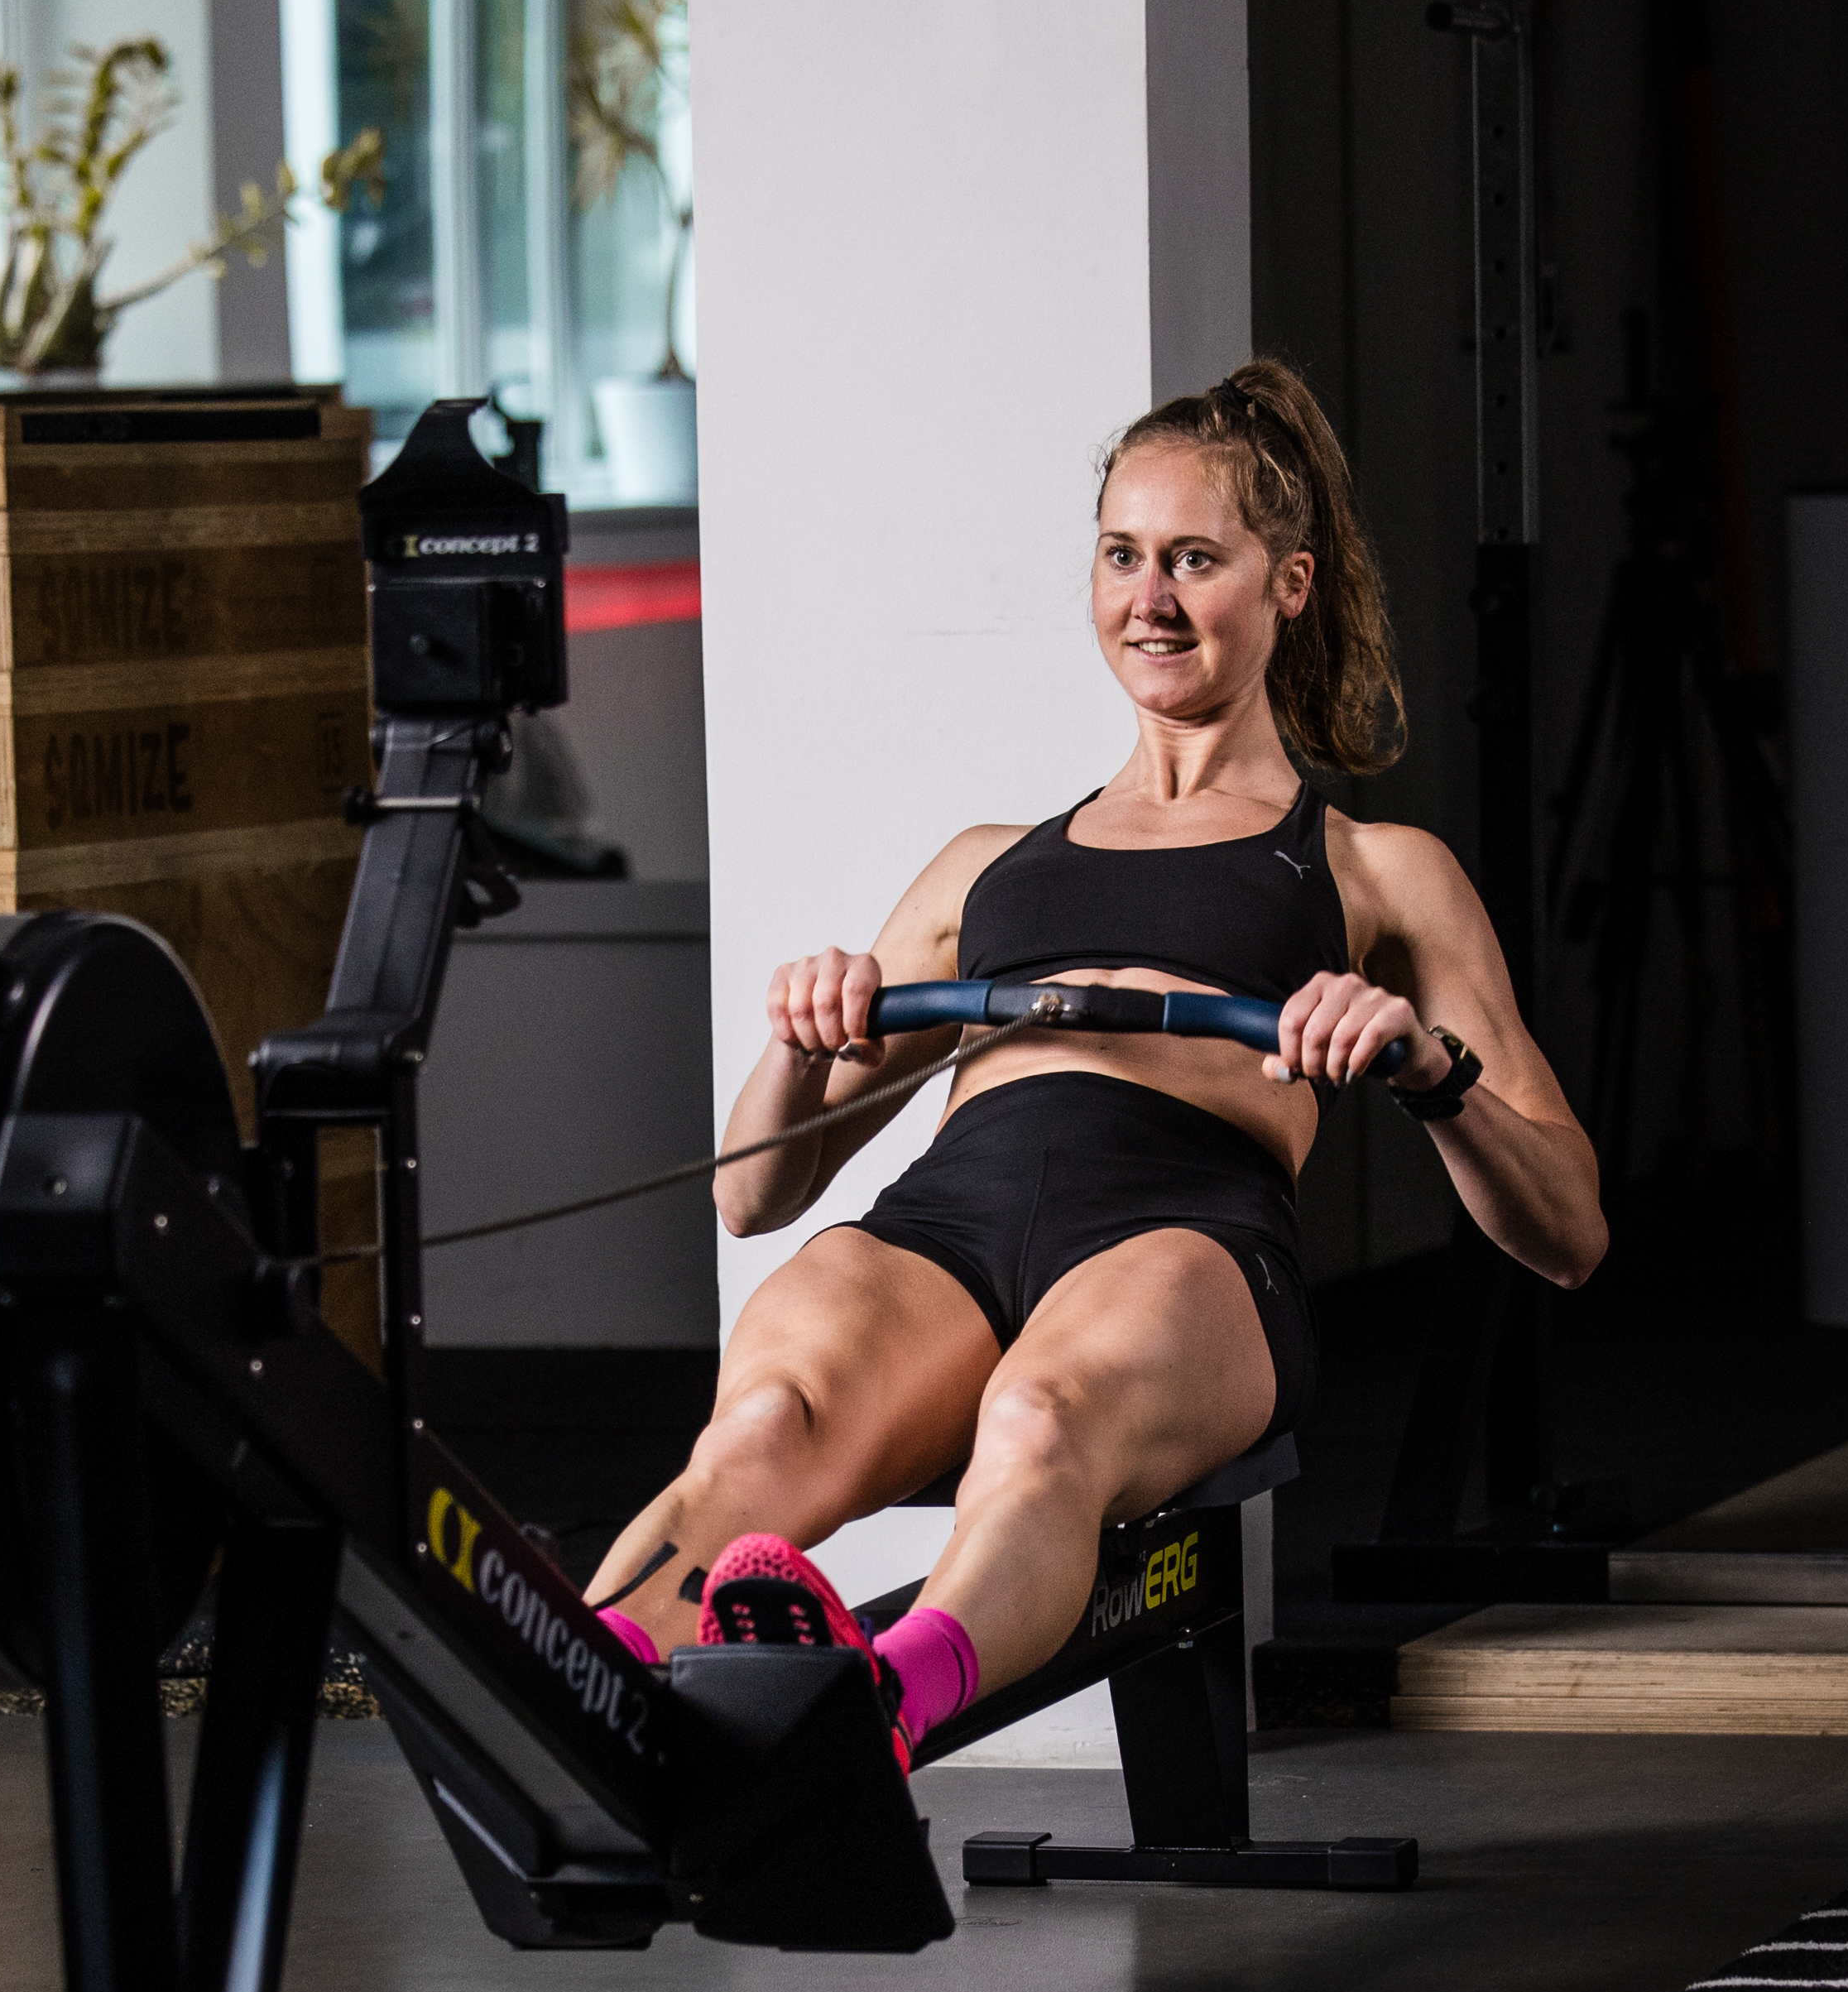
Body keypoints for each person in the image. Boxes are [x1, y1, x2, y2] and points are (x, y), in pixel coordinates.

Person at [579, 358, 1607, 1762]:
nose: (1150, 599)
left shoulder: (1375, 869)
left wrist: (1429, 1073)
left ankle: (874, 1717)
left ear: (1289, 584)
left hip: (1183, 1236)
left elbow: (1569, 1231)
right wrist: (801, 1040)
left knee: (1042, 1417)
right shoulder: (985, 864)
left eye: (1195, 559)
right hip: (947, 1229)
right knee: (765, 1421)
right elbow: (753, 1194)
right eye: (1123, 555)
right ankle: (590, 1696)